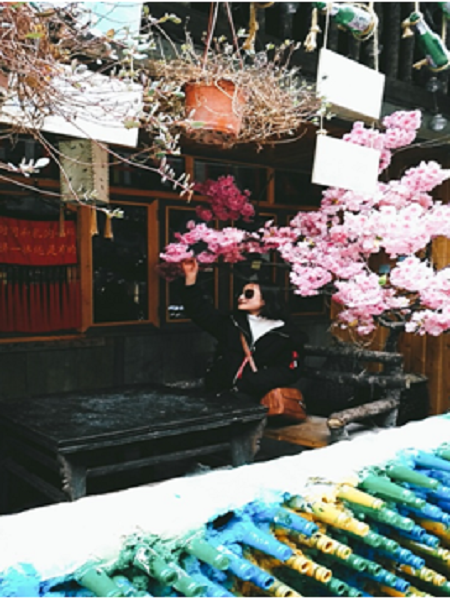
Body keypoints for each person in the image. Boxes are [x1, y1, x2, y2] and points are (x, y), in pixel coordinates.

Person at [181, 257, 306, 403]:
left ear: (265, 299)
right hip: (220, 394)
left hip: (260, 398)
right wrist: (190, 279)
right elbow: (200, 313)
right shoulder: (232, 323)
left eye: (248, 294)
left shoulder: (287, 334)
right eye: (240, 293)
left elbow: (288, 370)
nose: (241, 297)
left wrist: (249, 383)